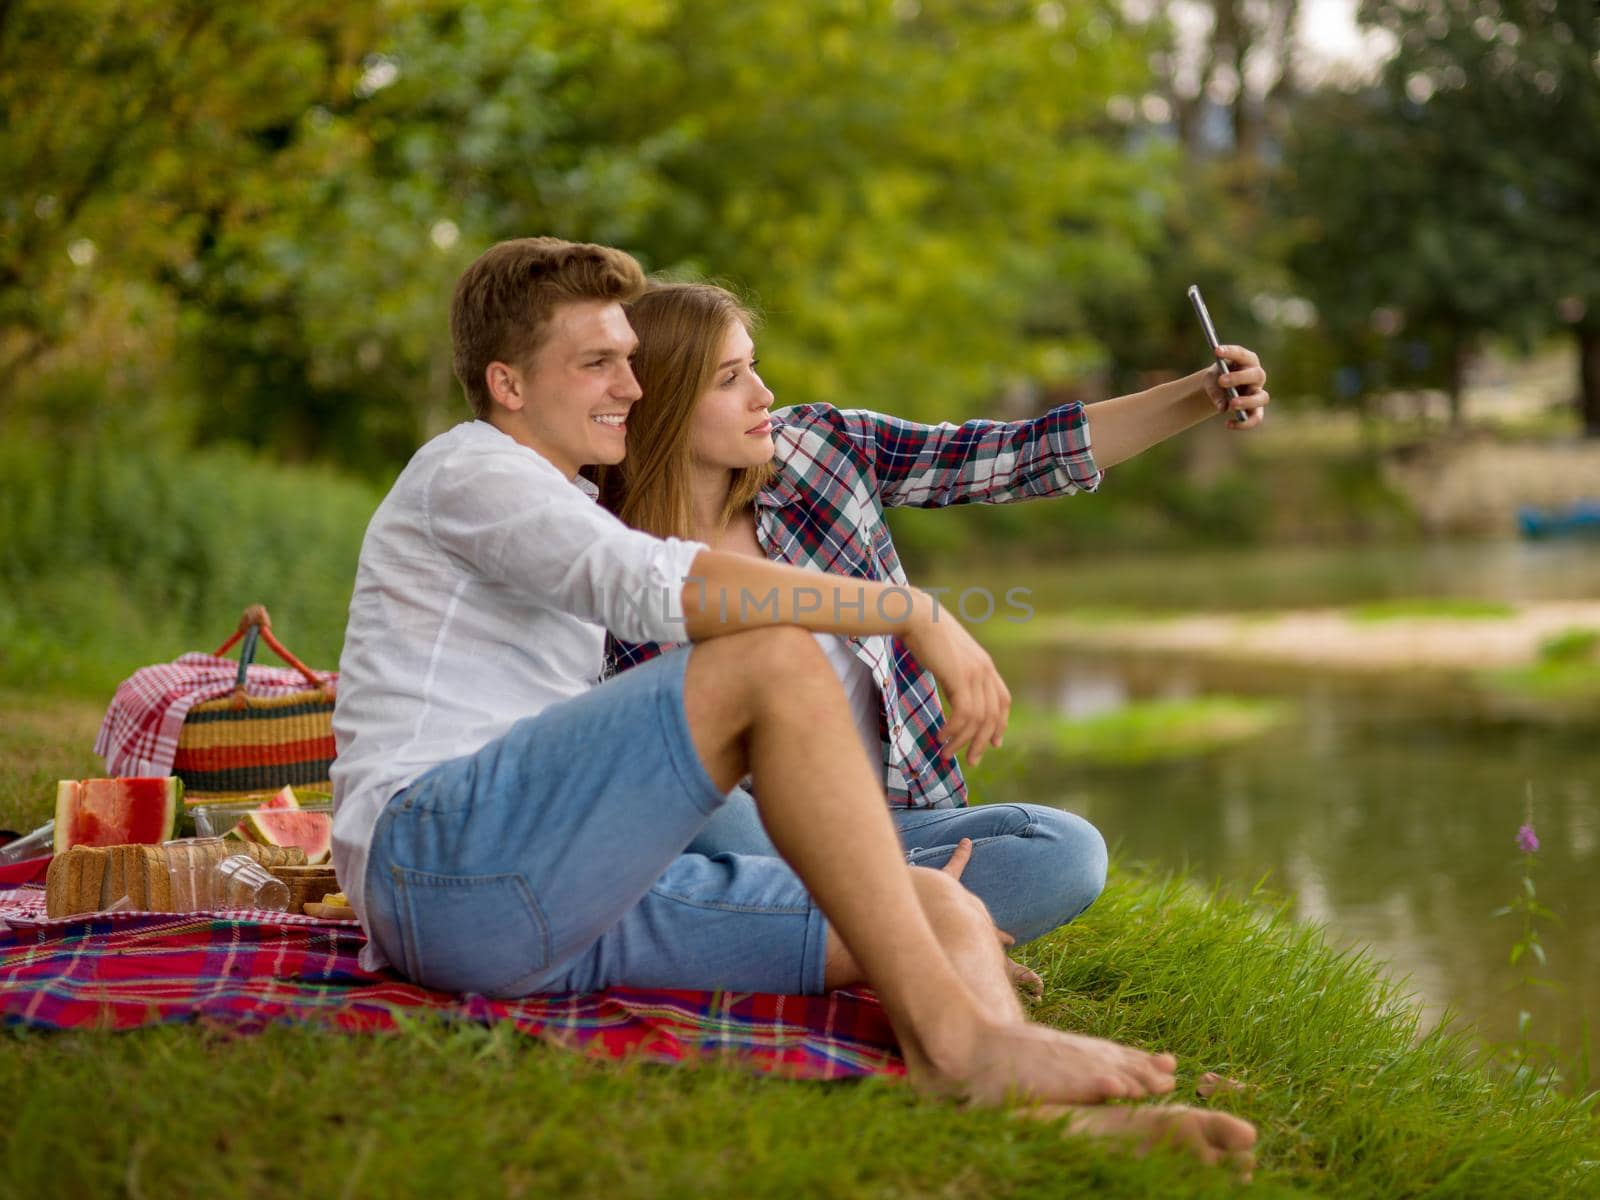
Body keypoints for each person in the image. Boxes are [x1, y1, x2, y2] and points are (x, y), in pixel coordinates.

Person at [329, 237, 1256, 1169]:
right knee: (766, 662)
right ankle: (968, 1047)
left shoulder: (594, 490)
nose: (633, 385)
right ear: (510, 384)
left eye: (631, 359)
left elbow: (998, 454)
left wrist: (1193, 394)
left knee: (935, 910)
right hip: (441, 867)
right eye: (599, 363)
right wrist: (908, 608)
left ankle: (1029, 1114)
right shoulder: (472, 473)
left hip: (567, 913)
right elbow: (647, 584)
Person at [596, 282, 1270, 948]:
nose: (763, 395)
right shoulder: (595, 546)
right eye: (728, 379)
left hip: (892, 824)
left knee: (1066, 850)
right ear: (660, 402)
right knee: (686, 783)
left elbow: (1016, 455)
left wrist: (1199, 394)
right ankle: (920, 931)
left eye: (755, 367)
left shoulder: (821, 448)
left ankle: (849, 933)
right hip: (743, 837)